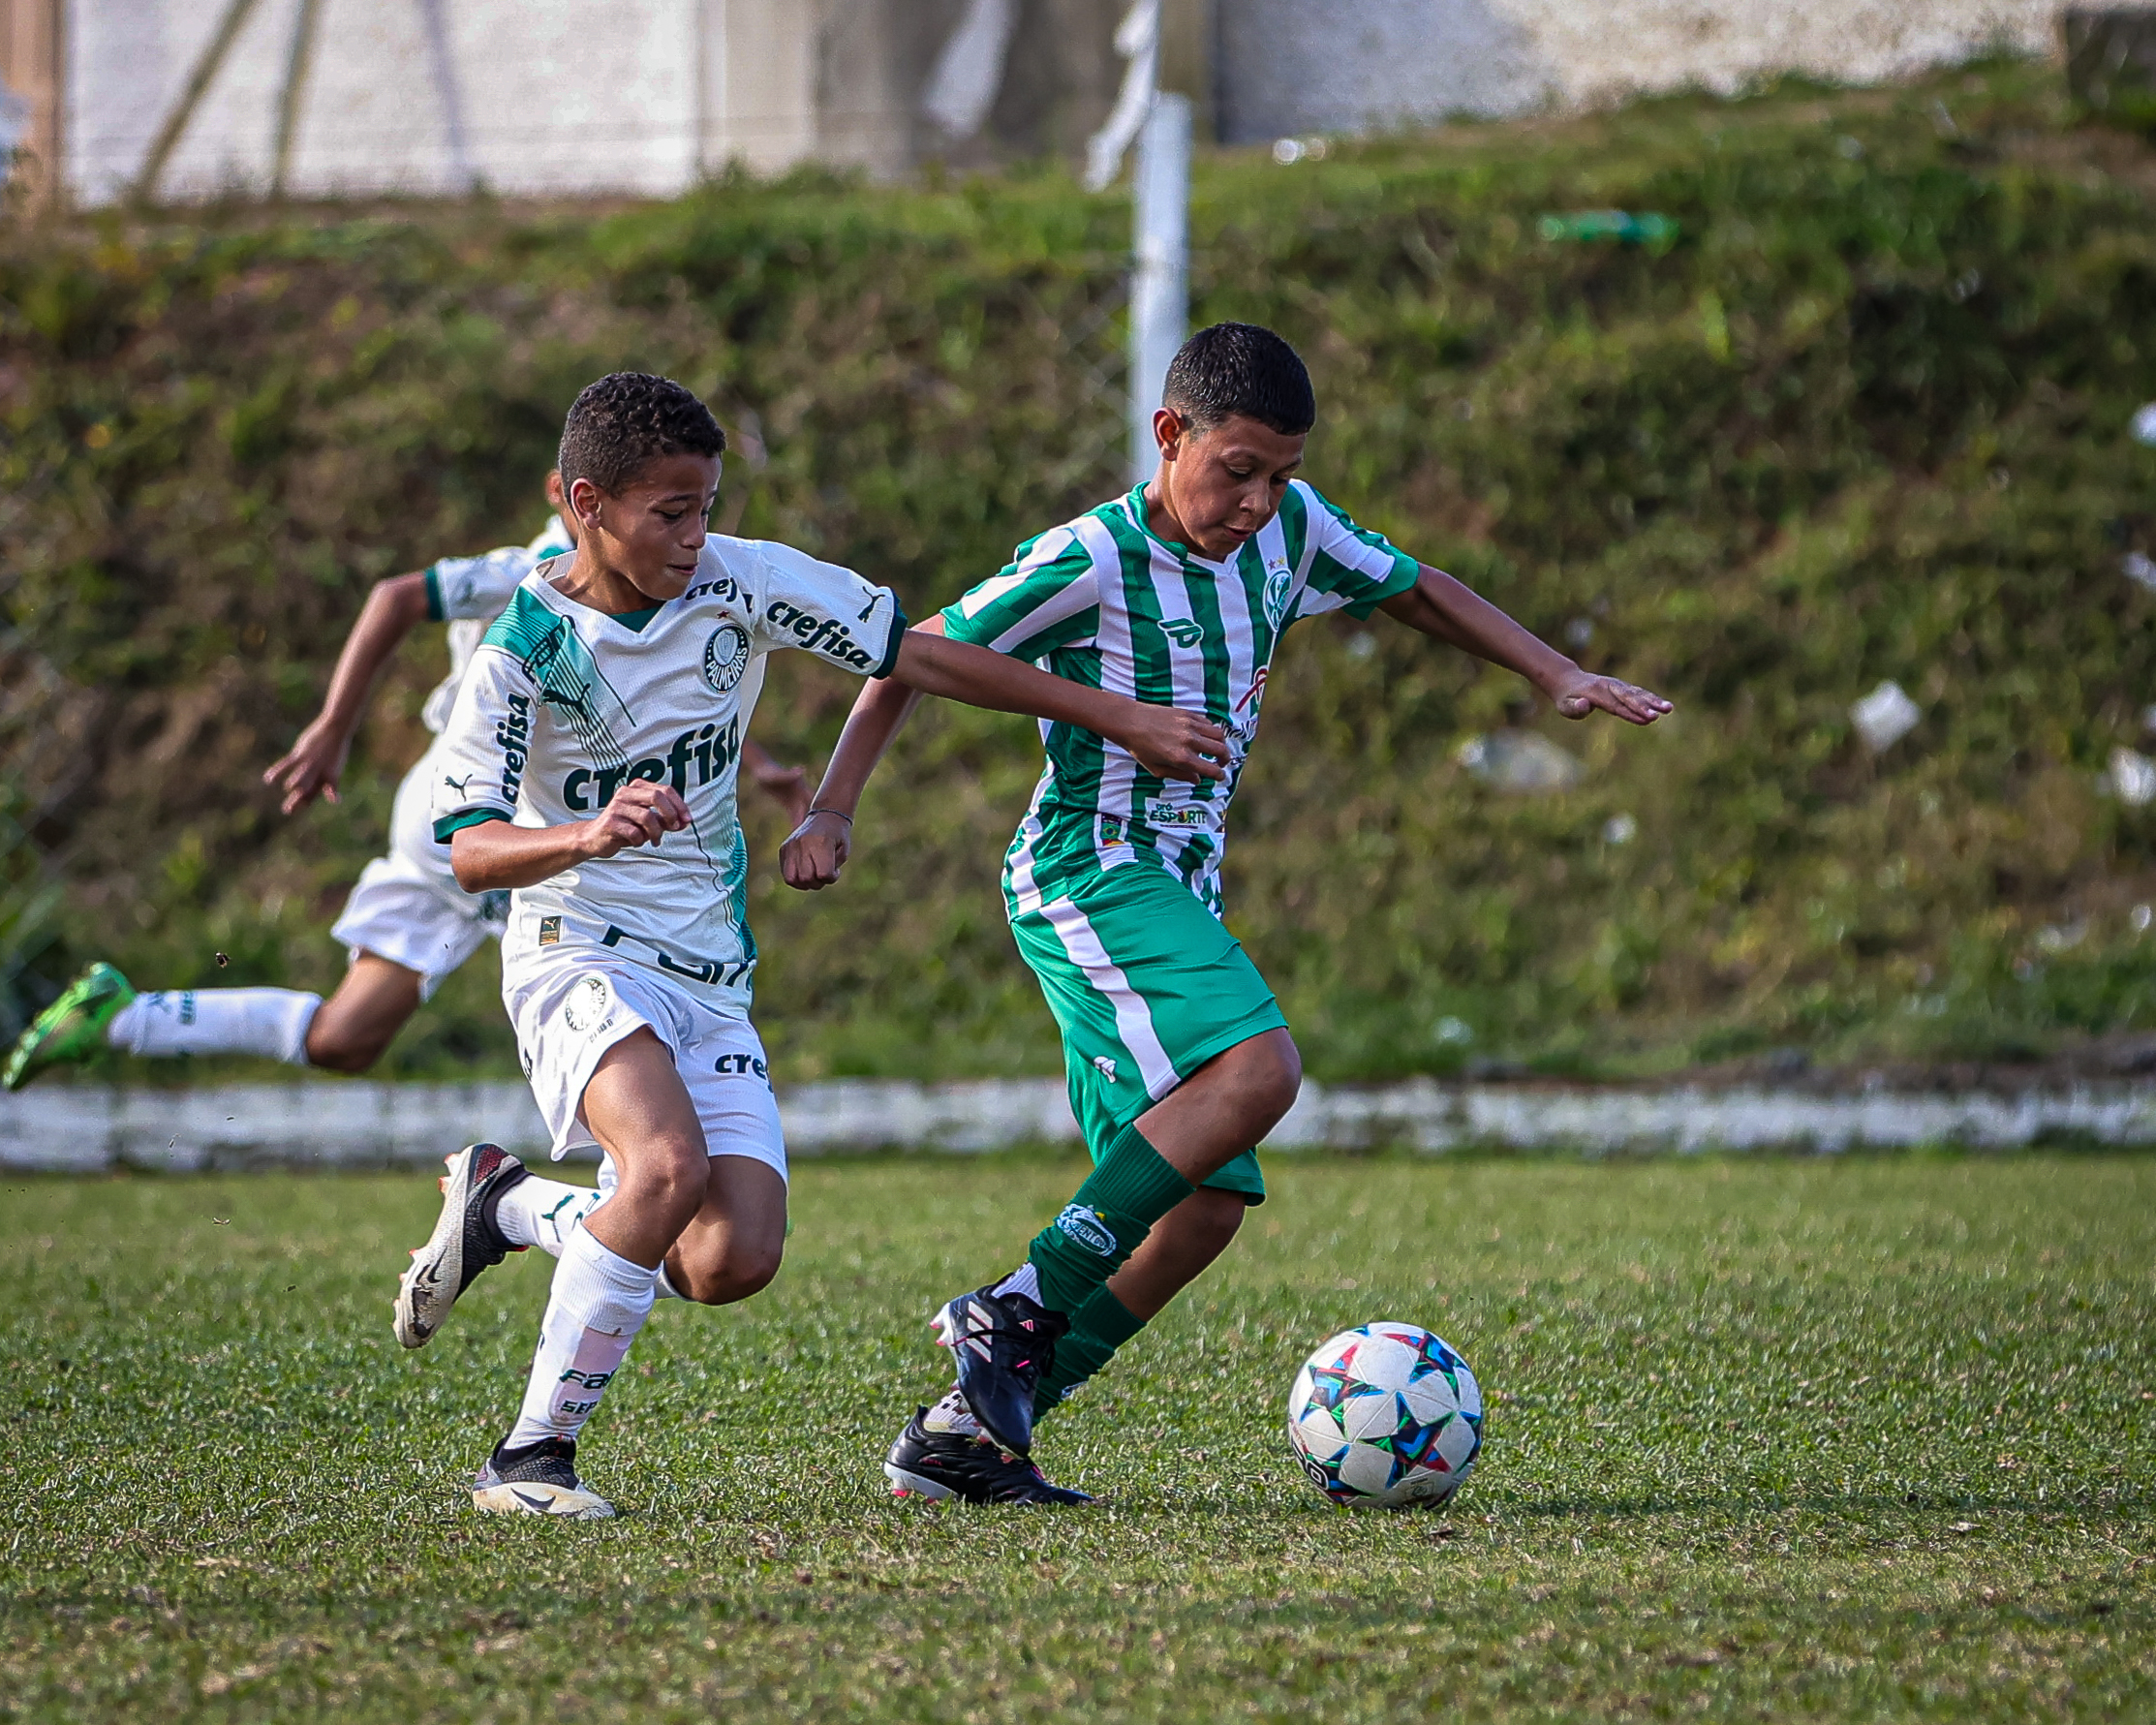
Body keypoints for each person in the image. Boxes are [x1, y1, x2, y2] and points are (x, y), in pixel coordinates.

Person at [781, 322, 1673, 1504]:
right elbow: (913, 654)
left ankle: (967, 1437)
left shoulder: (1293, 532)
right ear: (1170, 435)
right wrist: (838, 805)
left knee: (1201, 1207)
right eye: (1236, 469)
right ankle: (1015, 1306)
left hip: (1175, 888)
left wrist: (1552, 670)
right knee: (1259, 1068)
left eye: (1282, 474)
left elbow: (1421, 589)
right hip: (1086, 871)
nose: (1259, 501)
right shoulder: (1092, 555)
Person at [399, 371, 1225, 1518]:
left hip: (710, 969)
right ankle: (529, 1458)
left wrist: (1117, 714)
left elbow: (918, 654)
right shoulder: (524, 654)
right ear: (587, 503)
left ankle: (506, 1205)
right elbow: (472, 850)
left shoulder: (743, 581)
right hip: (574, 943)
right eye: (668, 512)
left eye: (706, 505)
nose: (695, 535)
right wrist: (590, 829)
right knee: (663, 1168)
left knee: (725, 1258)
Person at [0, 475, 814, 1092]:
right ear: (575, 498)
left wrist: (764, 766)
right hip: (473, 821)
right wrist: (332, 727)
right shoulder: (530, 573)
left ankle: (123, 1016)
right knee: (622, 1027)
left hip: (554, 828)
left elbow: (654, 710)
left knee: (344, 1041)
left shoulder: (661, 590)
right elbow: (395, 596)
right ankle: (566, 1200)